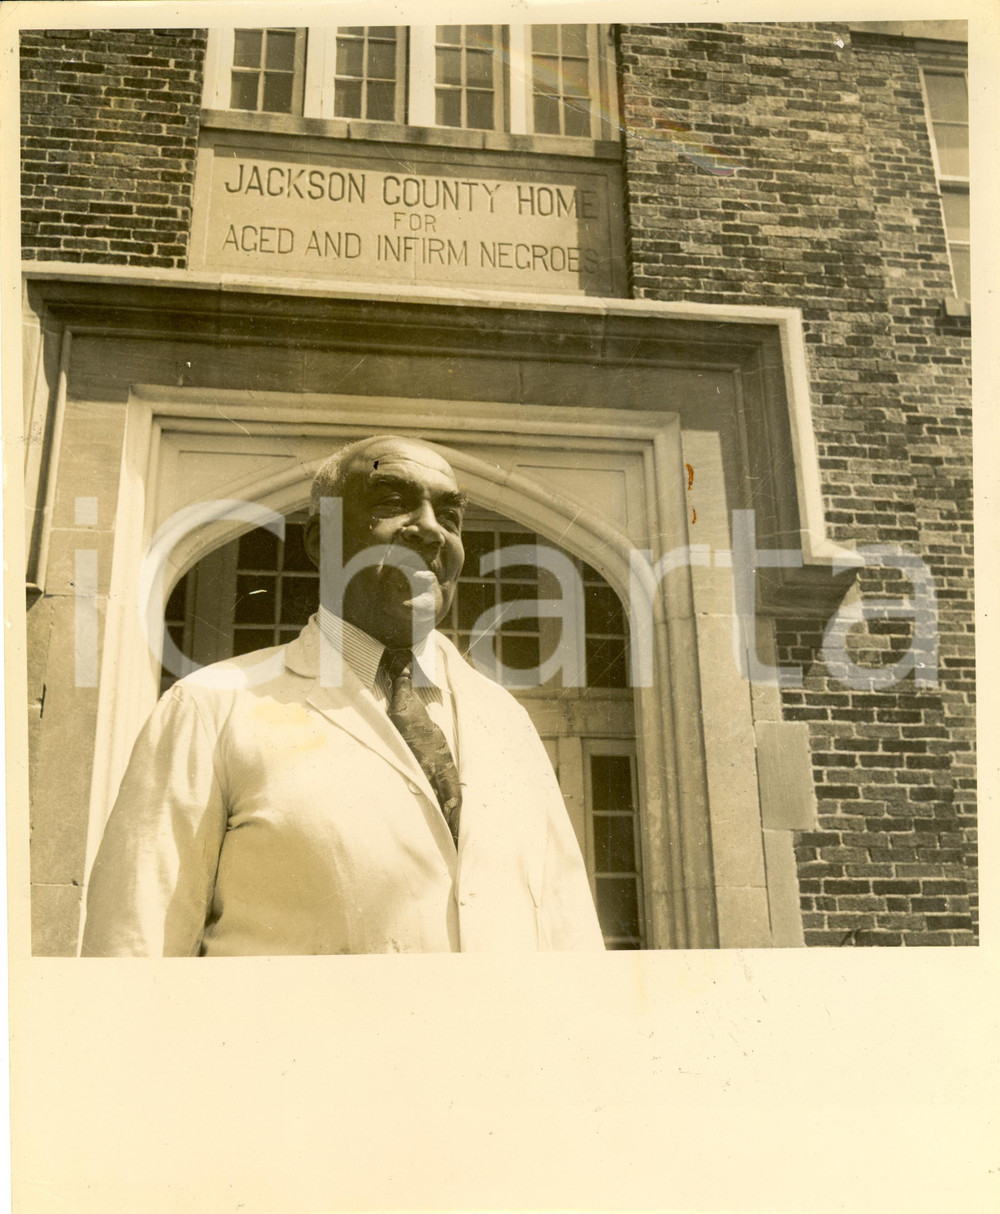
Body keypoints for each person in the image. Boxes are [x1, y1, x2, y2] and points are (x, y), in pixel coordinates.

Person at [81, 435, 605, 955]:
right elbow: (131, 954)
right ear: (320, 540)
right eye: (392, 504)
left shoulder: (505, 721)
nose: (430, 531)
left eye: (449, 515)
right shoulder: (209, 708)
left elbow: (572, 943)